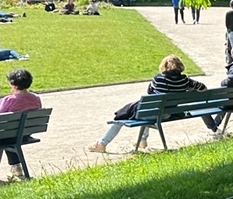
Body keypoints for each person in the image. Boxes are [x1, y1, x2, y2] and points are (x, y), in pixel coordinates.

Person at [88, 55, 218, 152]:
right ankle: (142, 141)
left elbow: (149, 91)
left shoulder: (158, 79)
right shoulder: (185, 80)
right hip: (167, 114)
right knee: (149, 111)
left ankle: (102, 144)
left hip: (154, 112)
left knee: (121, 118)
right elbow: (203, 87)